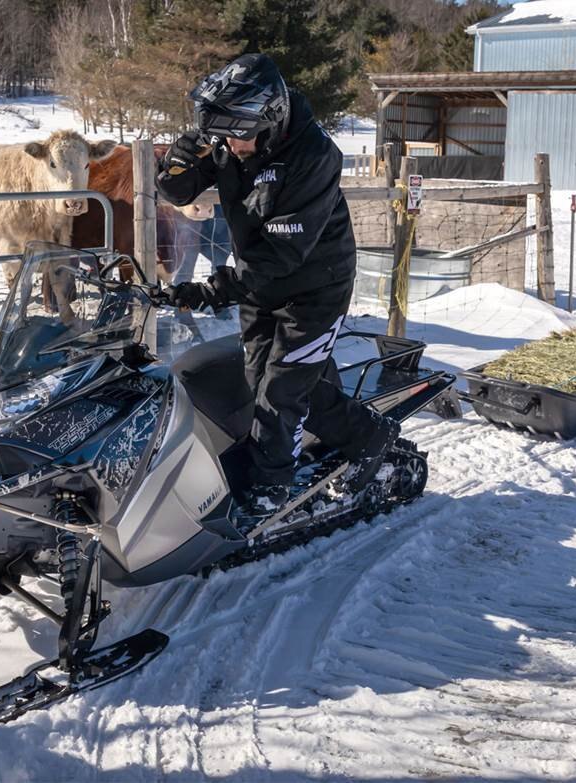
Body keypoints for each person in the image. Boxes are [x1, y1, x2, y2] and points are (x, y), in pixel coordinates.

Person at [156, 53, 400, 517]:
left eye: (238, 137)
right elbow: (179, 192)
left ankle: (271, 491)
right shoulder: (232, 136)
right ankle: (368, 431)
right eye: (223, 136)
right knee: (261, 382)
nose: (230, 146)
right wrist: (176, 165)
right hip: (260, 281)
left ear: (269, 120)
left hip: (315, 287)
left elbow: (284, 249)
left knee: (282, 391)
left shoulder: (314, 155)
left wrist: (213, 290)